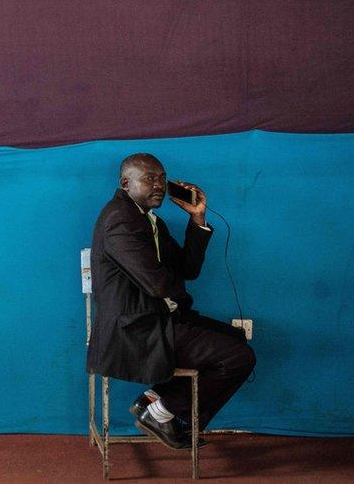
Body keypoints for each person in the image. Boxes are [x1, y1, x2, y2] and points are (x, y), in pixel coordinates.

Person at [87, 153, 256, 449]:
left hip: (157, 317)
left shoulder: (150, 221)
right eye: (150, 178)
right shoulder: (119, 220)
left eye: (163, 179)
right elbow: (155, 282)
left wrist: (197, 218)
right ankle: (163, 412)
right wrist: (177, 301)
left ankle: (154, 401)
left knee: (237, 339)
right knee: (238, 357)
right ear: (126, 183)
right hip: (135, 329)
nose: (159, 186)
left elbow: (189, 269)